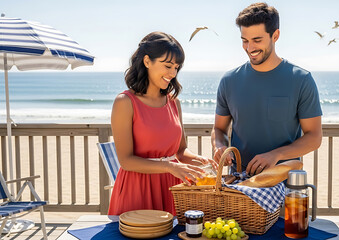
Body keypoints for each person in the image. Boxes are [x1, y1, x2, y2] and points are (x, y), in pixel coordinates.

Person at [109, 32, 214, 216]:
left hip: (172, 188)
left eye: (176, 67)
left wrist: (199, 161)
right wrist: (169, 167)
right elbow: (126, 161)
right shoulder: (124, 102)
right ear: (147, 61)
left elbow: (180, 151)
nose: (173, 73)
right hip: (137, 190)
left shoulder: (174, 102)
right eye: (167, 66)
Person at [211, 3, 322, 176]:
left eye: (257, 40)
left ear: (275, 35)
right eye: (245, 41)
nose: (250, 48)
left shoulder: (301, 79)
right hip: (239, 183)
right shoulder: (229, 81)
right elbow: (219, 129)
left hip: (285, 183)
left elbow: (314, 137)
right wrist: (219, 146)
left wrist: (276, 155)